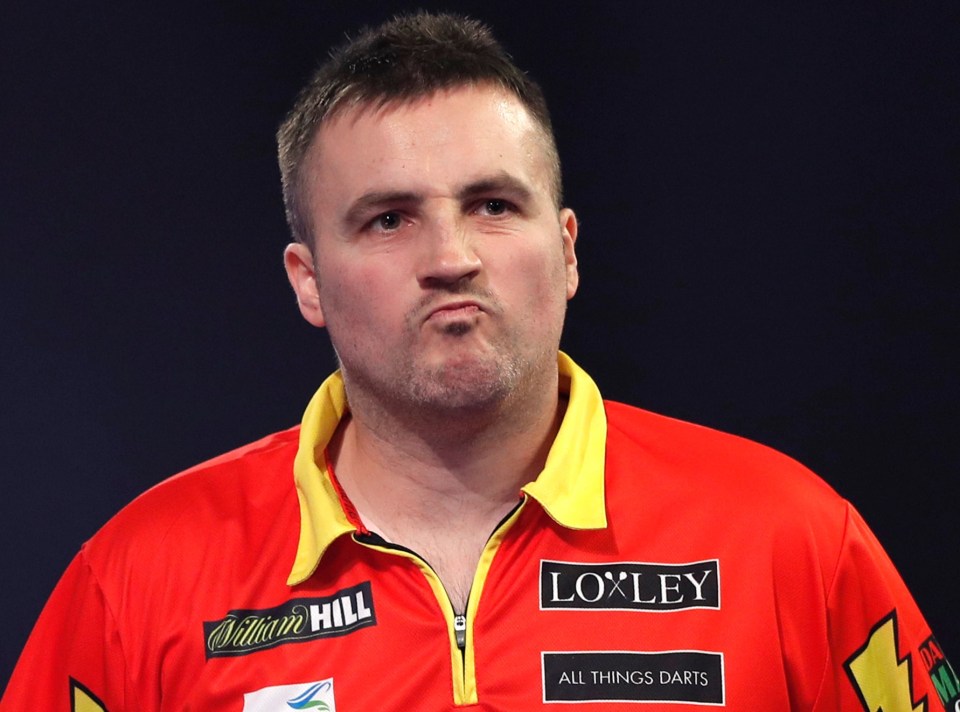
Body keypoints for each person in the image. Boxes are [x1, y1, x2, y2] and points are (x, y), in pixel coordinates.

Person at [3, 11, 956, 711]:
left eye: (494, 205)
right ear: (307, 280)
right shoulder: (134, 584)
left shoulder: (794, 542)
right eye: (388, 219)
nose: (452, 256)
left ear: (570, 248)